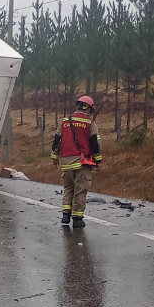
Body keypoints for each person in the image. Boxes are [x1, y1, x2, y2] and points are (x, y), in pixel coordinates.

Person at [51, 96, 103, 228]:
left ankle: (65, 216)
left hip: (66, 162)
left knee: (68, 188)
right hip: (82, 162)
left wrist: (54, 156)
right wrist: (98, 160)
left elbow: (57, 140)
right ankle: (77, 218)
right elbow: (95, 143)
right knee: (80, 190)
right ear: (89, 108)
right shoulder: (90, 123)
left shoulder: (65, 121)